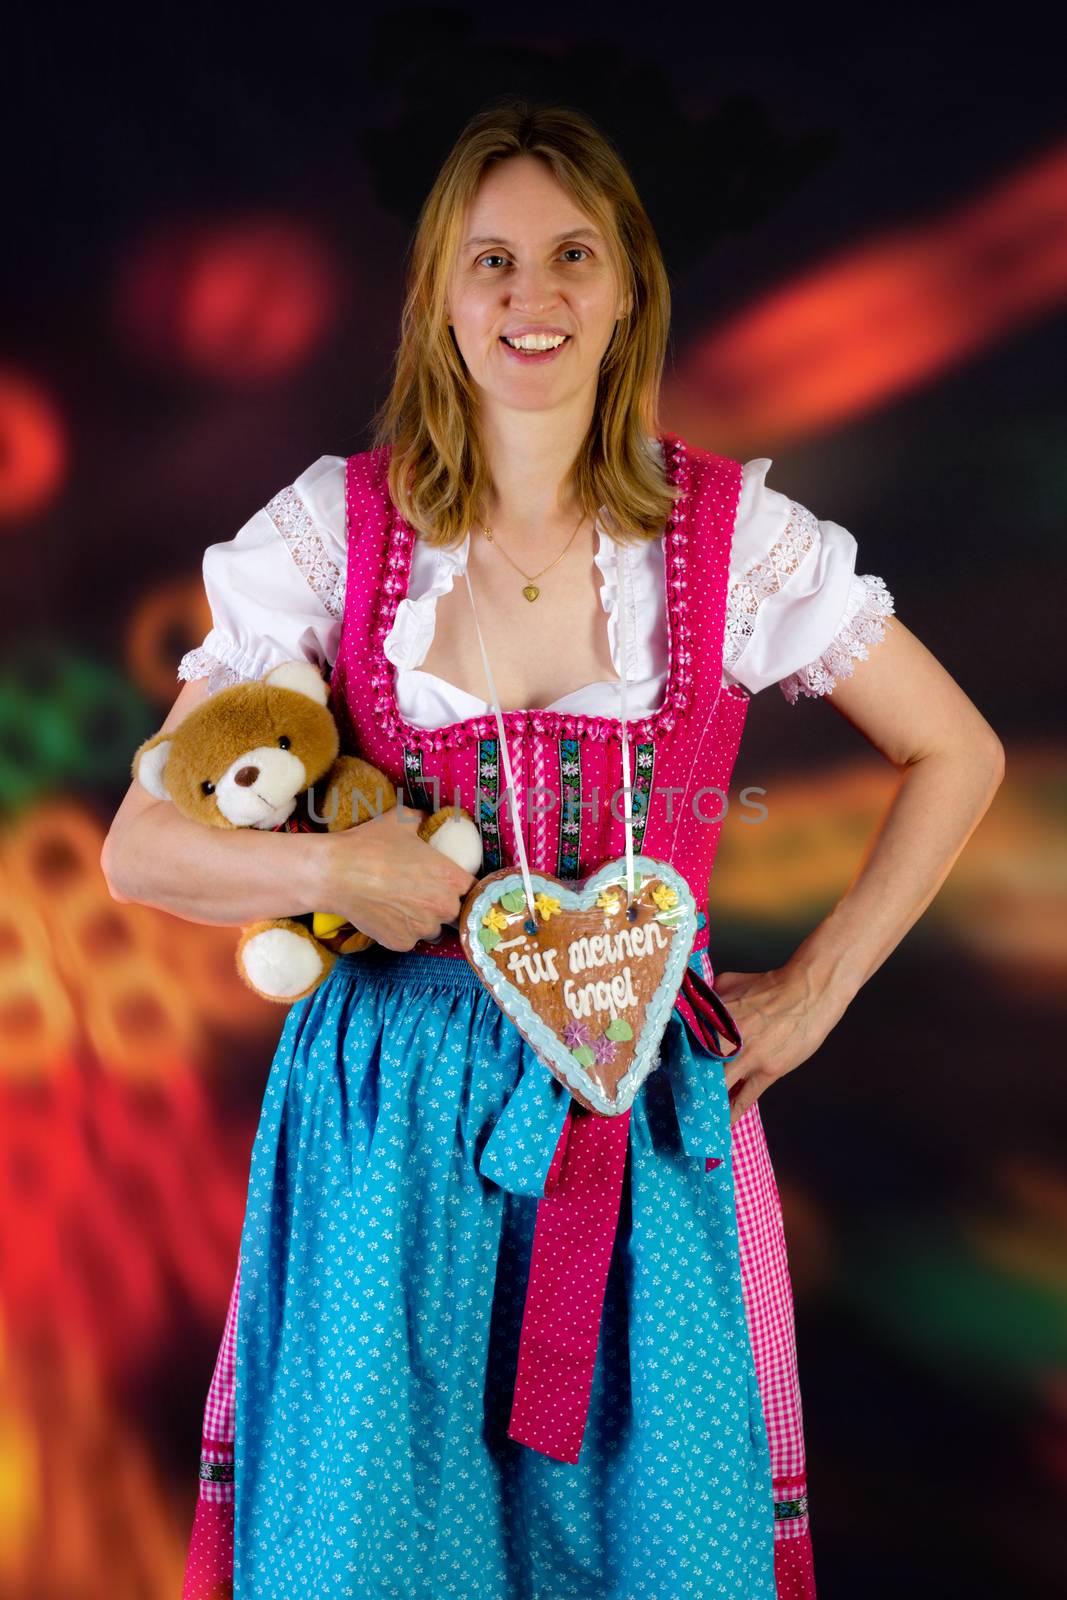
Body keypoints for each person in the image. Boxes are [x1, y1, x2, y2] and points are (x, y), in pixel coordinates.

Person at [101, 99, 1005, 1600]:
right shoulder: (334, 533)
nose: (535, 295)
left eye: (573, 255)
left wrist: (818, 989)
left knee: (656, 1545)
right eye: (494, 259)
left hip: (634, 1109)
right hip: (387, 1118)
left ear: (629, 288)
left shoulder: (732, 540)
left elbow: (956, 751)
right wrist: (335, 874)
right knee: (374, 1550)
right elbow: (143, 848)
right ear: (442, 300)